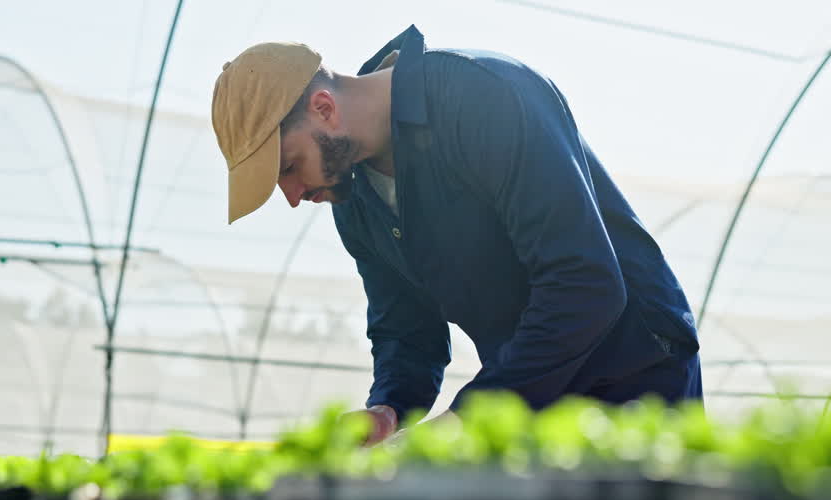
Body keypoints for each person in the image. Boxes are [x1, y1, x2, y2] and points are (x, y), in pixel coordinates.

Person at [211, 25, 702, 445]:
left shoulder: (483, 96)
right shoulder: (355, 201)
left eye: (289, 168)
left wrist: (466, 418)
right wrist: (388, 410)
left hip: (634, 376)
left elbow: (585, 285)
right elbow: (406, 332)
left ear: (323, 108)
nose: (293, 195)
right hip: (534, 396)